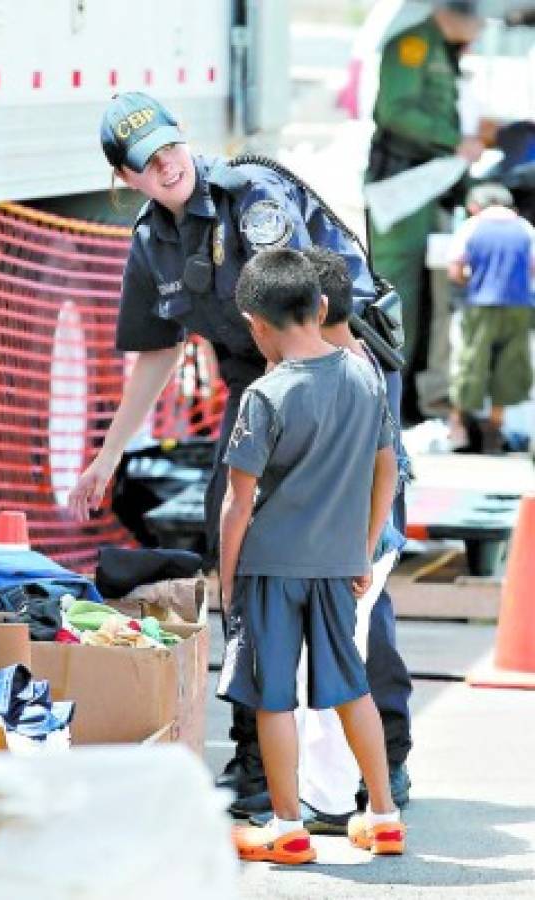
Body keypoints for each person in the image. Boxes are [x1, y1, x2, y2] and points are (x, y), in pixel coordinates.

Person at [67, 89, 411, 811]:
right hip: (256, 390)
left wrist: (368, 427)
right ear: (122, 176)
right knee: (251, 572)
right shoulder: (150, 240)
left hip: (335, 378)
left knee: (353, 566)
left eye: (169, 145)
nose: (166, 163)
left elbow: (322, 316)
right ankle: (259, 763)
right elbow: (156, 354)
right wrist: (107, 455)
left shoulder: (253, 198)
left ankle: (386, 762)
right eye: (146, 160)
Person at [217, 248, 405, 863]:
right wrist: (364, 545)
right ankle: (382, 815)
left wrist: (226, 583)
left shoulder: (264, 397)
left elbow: (237, 505)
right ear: (322, 306)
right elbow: (388, 471)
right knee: (352, 688)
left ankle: (287, 826)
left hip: (272, 569)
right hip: (338, 564)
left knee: (275, 697)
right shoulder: (365, 377)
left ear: (256, 324)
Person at [366, 0, 484, 423]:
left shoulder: (446, 51)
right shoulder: (414, 44)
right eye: (481, 21)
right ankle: (382, 403)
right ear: (457, 14)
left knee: (427, 305)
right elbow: (394, 111)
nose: (483, 31)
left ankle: (409, 404)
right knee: (395, 297)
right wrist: (455, 139)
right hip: (400, 191)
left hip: (430, 192)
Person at [448, 182, 535, 452]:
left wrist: (470, 281)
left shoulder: (471, 227)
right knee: (509, 367)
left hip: (480, 305)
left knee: (471, 363)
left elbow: (456, 270)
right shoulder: (525, 228)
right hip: (519, 306)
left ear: (475, 206)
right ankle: (494, 434)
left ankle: (459, 429)